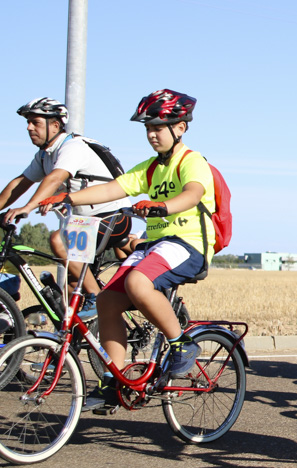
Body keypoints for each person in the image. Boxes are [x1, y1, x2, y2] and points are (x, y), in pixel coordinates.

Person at [37, 89, 214, 413]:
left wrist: (161, 206)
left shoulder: (192, 162)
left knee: (137, 283)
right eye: (148, 128)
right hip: (156, 246)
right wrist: (66, 199)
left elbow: (192, 194)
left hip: (188, 244)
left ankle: (182, 344)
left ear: (181, 128)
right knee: (106, 299)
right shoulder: (149, 168)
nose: (152, 134)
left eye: (159, 127)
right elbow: (112, 188)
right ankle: (113, 377)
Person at [0, 97, 132, 314]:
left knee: (59, 239)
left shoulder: (72, 147)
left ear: (55, 125)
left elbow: (55, 178)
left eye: (35, 122)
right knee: (71, 290)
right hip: (86, 222)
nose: (29, 127)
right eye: (28, 122)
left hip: (112, 218)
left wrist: (28, 207)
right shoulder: (44, 155)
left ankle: (97, 299)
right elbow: (19, 184)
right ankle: (77, 339)